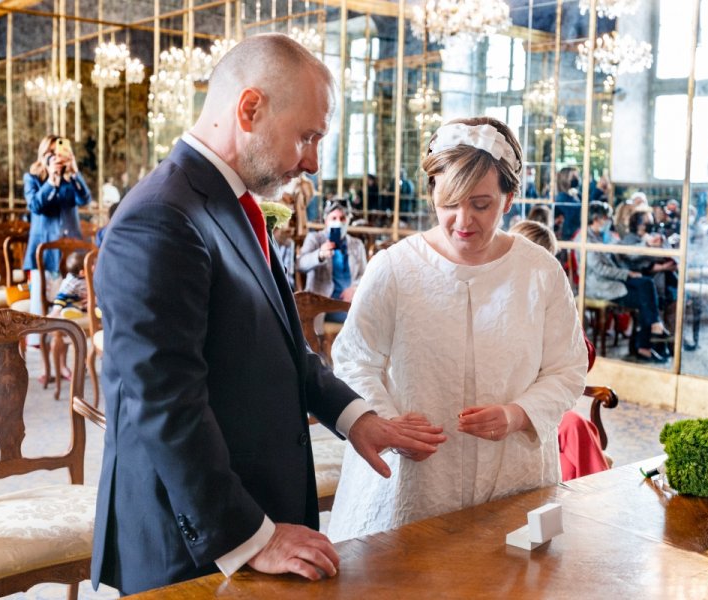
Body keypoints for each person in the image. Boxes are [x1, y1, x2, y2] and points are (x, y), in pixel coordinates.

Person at [91, 34, 446, 595]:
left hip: (252, 508)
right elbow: (166, 404)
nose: (311, 161)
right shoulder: (159, 219)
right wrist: (253, 537)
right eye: (307, 136)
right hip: (190, 542)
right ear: (250, 108)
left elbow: (282, 347)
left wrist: (358, 419)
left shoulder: (227, 203)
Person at [326, 116, 588, 542]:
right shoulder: (394, 268)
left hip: (511, 475)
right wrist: (387, 422)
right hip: (412, 480)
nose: (463, 220)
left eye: (481, 204)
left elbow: (568, 368)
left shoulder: (539, 271)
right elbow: (354, 359)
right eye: (449, 203)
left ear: (508, 198)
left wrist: (518, 414)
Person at [508, 220, 610, 481]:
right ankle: (594, 494)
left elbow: (581, 360)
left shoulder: (550, 294)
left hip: (544, 401)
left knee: (577, 429)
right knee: (576, 427)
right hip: (510, 402)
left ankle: (592, 497)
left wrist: (567, 325)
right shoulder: (502, 296)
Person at [23, 134, 91, 348]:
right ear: (44, 154)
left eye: (60, 151)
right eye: (52, 152)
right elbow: (35, 206)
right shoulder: (32, 177)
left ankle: (65, 355)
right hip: (44, 251)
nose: (57, 156)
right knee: (44, 305)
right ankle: (45, 358)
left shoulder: (71, 179)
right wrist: (51, 181)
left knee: (69, 303)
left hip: (71, 253)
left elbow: (85, 199)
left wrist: (74, 172)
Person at [585, 201, 672, 363]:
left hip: (614, 280)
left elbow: (622, 251)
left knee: (646, 284)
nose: (609, 220)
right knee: (646, 297)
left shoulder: (605, 236)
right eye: (606, 217)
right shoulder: (585, 239)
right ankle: (646, 341)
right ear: (596, 218)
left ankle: (652, 329)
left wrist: (647, 243)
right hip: (600, 285)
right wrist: (627, 274)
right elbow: (600, 270)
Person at [296, 199, 367, 332]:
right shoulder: (315, 239)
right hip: (321, 302)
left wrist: (355, 288)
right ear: (326, 221)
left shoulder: (357, 244)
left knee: (371, 319)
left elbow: (365, 275)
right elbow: (300, 264)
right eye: (333, 218)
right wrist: (320, 254)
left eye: (342, 218)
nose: (338, 222)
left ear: (348, 221)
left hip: (349, 302)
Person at [47, 251, 88, 381]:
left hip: (85, 305)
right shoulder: (71, 282)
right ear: (82, 272)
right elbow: (60, 298)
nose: (94, 267)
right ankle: (69, 312)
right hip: (69, 304)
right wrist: (56, 311)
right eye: (91, 265)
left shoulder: (89, 277)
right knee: (68, 308)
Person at [553, 166, 581, 240]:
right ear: (564, 179)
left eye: (577, 176)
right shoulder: (561, 198)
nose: (577, 179)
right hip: (569, 236)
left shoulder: (576, 195)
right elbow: (577, 211)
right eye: (573, 176)